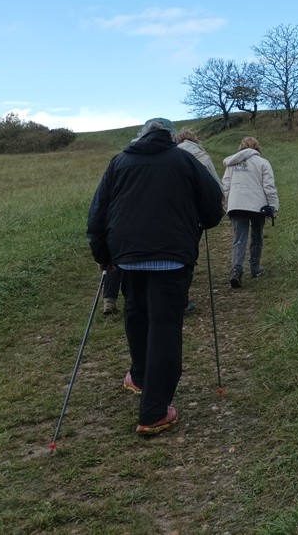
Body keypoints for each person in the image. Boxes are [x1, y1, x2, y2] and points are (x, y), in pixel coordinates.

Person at [87, 118, 224, 436]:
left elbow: (98, 213)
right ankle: (153, 409)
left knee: (136, 315)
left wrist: (103, 256)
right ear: (170, 136)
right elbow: (213, 205)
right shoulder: (185, 160)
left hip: (128, 257)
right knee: (164, 325)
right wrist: (198, 223)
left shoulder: (119, 162)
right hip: (172, 258)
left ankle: (140, 379)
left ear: (141, 136)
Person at [222, 137, 279, 288]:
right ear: (257, 147)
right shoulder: (263, 163)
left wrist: (226, 205)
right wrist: (273, 206)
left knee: (239, 238)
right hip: (257, 206)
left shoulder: (231, 163)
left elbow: (225, 186)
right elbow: (269, 186)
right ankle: (255, 268)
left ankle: (236, 270)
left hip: (236, 205)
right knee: (256, 236)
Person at [176, 129, 220, 313]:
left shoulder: (172, 156)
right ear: (194, 140)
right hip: (195, 216)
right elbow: (215, 186)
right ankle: (182, 298)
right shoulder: (203, 156)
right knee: (189, 253)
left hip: (175, 213)